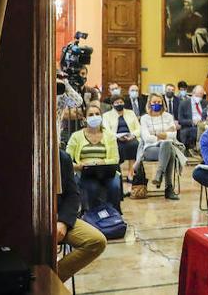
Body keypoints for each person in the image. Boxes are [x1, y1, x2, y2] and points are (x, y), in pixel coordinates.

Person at [57, 150, 106, 281]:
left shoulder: (62, 157)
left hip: (59, 215)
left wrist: (63, 222)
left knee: (96, 241)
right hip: (26, 218)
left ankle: (51, 279)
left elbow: (73, 195)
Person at [66, 103, 122, 212]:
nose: (94, 116)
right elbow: (67, 160)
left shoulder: (109, 136)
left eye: (97, 114)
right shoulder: (76, 136)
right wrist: (78, 166)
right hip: (85, 173)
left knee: (115, 186)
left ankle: (113, 215)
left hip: (107, 172)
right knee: (92, 188)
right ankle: (93, 216)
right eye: (91, 115)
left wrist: (101, 162)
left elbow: (115, 159)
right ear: (85, 118)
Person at [136, 92, 183, 200]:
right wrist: (163, 134)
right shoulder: (144, 118)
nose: (156, 104)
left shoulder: (168, 116)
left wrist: (155, 133)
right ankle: (168, 188)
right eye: (154, 102)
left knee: (168, 146)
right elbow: (146, 137)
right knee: (169, 149)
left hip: (166, 147)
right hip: (150, 149)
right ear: (149, 103)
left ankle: (159, 173)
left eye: (159, 102)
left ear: (162, 103)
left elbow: (173, 135)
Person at [103, 95, 140, 182]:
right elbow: (106, 130)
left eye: (121, 102)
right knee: (116, 149)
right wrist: (117, 136)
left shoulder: (131, 113)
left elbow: (139, 128)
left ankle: (131, 173)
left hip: (130, 138)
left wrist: (133, 135)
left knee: (135, 145)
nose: (119, 104)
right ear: (112, 105)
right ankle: (117, 174)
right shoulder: (106, 115)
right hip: (115, 139)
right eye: (116, 103)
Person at [175, 81, 197, 153]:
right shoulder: (176, 98)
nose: (183, 91)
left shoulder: (189, 99)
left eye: (184, 89)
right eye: (181, 89)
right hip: (177, 120)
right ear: (179, 89)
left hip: (188, 121)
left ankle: (192, 149)